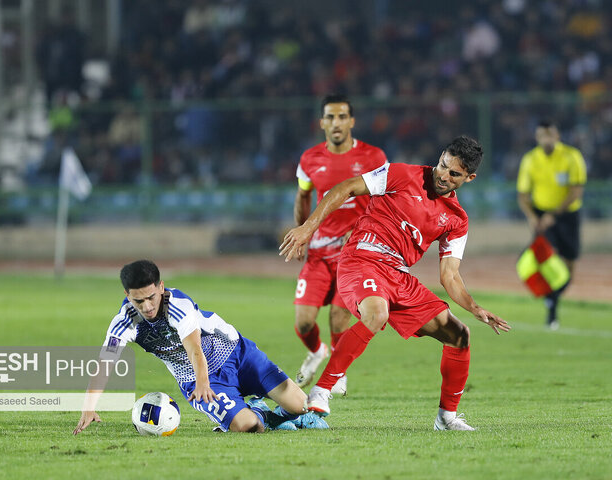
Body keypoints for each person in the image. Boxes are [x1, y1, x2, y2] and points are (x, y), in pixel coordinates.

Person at [280, 136, 510, 431]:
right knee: (376, 313)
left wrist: (475, 308)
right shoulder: (402, 174)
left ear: (469, 178)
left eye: (454, 174)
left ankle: (447, 418)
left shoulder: (456, 219)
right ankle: (321, 391)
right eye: (442, 165)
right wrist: (307, 228)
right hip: (362, 257)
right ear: (439, 157)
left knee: (459, 335)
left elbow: (449, 275)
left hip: (398, 275)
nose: (443, 175)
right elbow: (347, 187)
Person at [73, 260, 328, 434]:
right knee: (249, 427)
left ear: (161, 287)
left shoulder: (178, 305)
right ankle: (261, 413)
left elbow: (194, 348)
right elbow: (106, 361)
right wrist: (89, 405)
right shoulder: (124, 322)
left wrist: (202, 382)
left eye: (151, 297)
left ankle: (279, 414)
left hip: (238, 355)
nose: (147, 306)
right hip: (198, 379)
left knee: (300, 406)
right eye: (139, 301)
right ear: (128, 296)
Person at [291, 94, 388, 395]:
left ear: (352, 121)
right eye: (330, 117)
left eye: (342, 116)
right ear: (321, 122)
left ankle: (338, 369)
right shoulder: (310, 159)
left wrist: (366, 230)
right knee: (303, 323)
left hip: (354, 254)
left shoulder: (374, 158)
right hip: (319, 253)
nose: (336, 123)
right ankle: (317, 351)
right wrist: (301, 233)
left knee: (338, 315)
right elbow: (303, 196)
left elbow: (384, 202)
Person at [516, 120, 586, 330]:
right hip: (541, 215)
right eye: (542, 135)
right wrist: (532, 216)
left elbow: (576, 190)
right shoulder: (530, 159)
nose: (546, 139)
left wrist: (554, 214)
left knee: (569, 264)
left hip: (567, 215)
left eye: (550, 135)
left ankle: (552, 297)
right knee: (548, 258)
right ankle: (551, 308)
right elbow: (522, 194)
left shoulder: (571, 156)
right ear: (537, 138)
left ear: (557, 136)